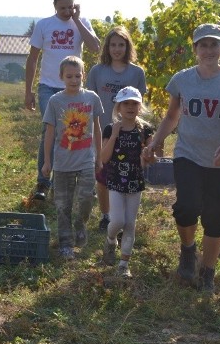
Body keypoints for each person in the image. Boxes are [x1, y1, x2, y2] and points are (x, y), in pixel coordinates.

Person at [144, 23, 220, 293]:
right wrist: (156, 141)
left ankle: (208, 272)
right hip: (187, 154)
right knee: (187, 206)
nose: (209, 50)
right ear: (195, 49)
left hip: (219, 160)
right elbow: (171, 116)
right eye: (203, 45)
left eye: (215, 44)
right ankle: (188, 249)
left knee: (216, 216)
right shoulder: (182, 80)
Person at [26, 0, 100, 201]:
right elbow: (32, 59)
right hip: (48, 86)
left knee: (77, 130)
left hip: (74, 87)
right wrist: (28, 91)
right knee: (49, 129)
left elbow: (95, 47)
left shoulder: (82, 22)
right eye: (63, 8)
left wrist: (77, 21)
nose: (67, 11)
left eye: (70, 7)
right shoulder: (44, 25)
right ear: (55, 7)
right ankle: (43, 181)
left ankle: (77, 177)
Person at [85, 26, 148, 232]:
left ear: (127, 46)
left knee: (125, 175)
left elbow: (139, 104)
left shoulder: (137, 73)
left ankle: (124, 219)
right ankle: (106, 215)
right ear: (107, 47)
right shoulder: (97, 71)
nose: (117, 49)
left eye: (121, 45)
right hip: (102, 131)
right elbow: (90, 102)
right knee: (102, 176)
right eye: (113, 45)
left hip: (128, 135)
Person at [41, 56, 104, 259]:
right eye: (69, 76)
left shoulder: (92, 98)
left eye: (78, 76)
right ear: (61, 77)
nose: (74, 80)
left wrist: (99, 157)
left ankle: (81, 223)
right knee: (62, 205)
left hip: (86, 160)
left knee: (86, 198)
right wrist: (47, 162)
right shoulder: (55, 101)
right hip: (62, 163)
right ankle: (66, 243)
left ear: (83, 75)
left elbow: (97, 128)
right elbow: (49, 134)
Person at [100, 86, 155, 278]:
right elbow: (104, 158)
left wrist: (149, 154)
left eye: (134, 103)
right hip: (115, 181)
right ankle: (110, 239)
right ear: (118, 107)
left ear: (140, 106)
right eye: (126, 103)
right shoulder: (110, 128)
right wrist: (114, 135)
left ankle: (124, 264)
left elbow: (153, 158)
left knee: (130, 223)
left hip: (135, 182)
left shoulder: (145, 130)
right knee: (117, 221)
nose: (130, 107)